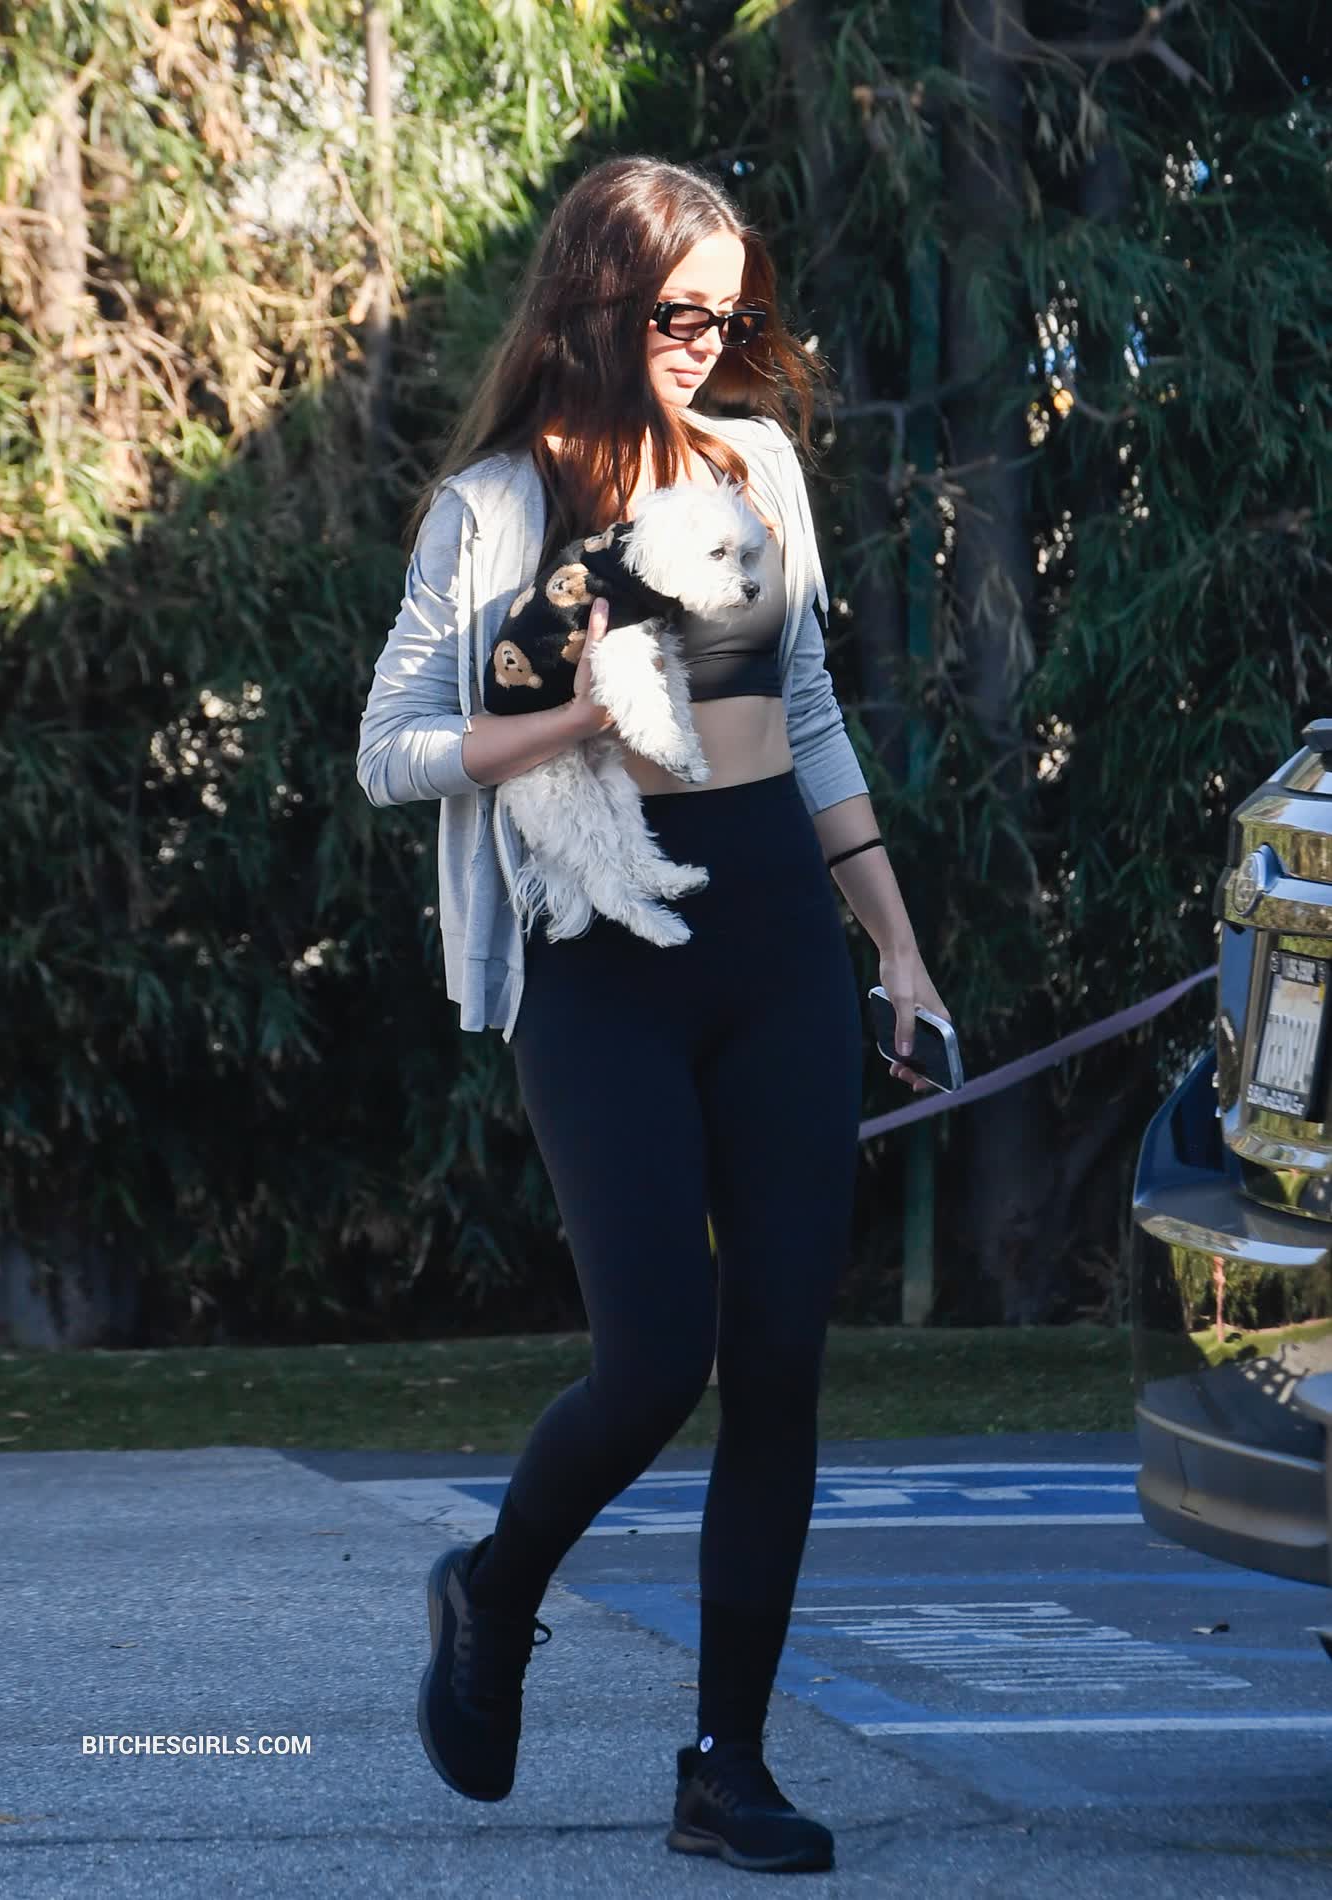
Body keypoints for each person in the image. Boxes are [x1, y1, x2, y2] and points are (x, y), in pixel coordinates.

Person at [356, 154, 949, 1877]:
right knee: (652, 1363)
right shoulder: (494, 508)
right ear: (593, 302)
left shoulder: (756, 467)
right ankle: (493, 1591)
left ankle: (724, 1766)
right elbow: (391, 749)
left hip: (776, 945)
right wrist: (573, 721)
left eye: (729, 317)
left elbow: (809, 712)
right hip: (600, 962)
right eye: (678, 314)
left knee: (778, 1367)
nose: (706, 344)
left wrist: (896, 952)